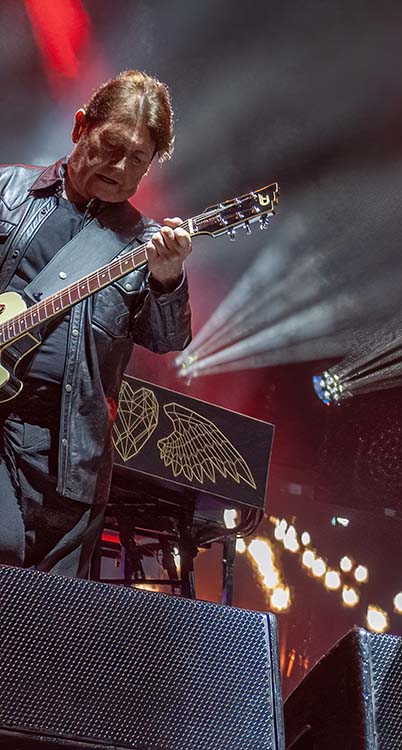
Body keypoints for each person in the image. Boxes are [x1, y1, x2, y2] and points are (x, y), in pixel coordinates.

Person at [0, 70, 193, 579]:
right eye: (112, 147)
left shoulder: (142, 245)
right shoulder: (8, 191)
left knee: (50, 609)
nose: (121, 167)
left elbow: (167, 339)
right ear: (80, 127)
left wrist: (168, 277)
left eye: (139, 160)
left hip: (71, 457)